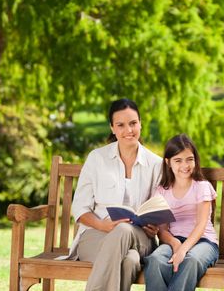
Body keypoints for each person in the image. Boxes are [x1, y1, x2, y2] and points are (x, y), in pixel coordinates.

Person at [67, 98, 163, 291]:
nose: (129, 130)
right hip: (95, 235)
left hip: (140, 238)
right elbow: (79, 207)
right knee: (130, 260)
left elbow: (159, 208)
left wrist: (155, 226)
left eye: (133, 123)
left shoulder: (155, 164)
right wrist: (102, 224)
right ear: (112, 128)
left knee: (123, 230)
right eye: (121, 125)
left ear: (141, 124)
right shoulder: (97, 158)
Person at [144, 134, 219, 291]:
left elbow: (201, 225)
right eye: (178, 160)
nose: (185, 165)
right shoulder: (162, 191)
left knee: (190, 261)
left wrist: (183, 249)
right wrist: (175, 243)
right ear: (168, 162)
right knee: (155, 259)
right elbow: (162, 230)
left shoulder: (201, 186)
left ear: (195, 160)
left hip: (204, 242)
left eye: (189, 159)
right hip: (174, 240)